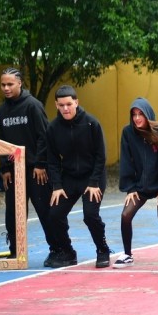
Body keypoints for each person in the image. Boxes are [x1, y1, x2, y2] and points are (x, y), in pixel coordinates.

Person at [0, 67, 58, 265]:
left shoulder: (33, 106)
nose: (6, 88)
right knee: (13, 214)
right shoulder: (0, 111)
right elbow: (1, 143)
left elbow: (44, 137)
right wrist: (4, 168)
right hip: (13, 172)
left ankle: (57, 249)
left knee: (45, 211)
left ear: (20, 83)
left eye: (10, 84)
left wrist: (40, 164)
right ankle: (15, 250)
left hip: (35, 170)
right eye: (3, 85)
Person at [46, 85, 111, 268]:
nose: (65, 108)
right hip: (69, 178)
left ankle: (102, 250)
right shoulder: (53, 128)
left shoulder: (91, 123)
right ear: (56, 105)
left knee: (90, 215)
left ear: (76, 102)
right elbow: (52, 160)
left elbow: (101, 156)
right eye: (61, 105)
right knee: (55, 214)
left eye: (69, 104)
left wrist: (94, 182)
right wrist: (57, 186)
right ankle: (68, 252)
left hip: (92, 178)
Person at [113, 98, 158, 268]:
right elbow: (126, 161)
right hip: (140, 186)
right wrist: (130, 188)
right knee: (126, 215)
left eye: (140, 114)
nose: (137, 118)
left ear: (147, 114)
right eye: (134, 114)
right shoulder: (128, 133)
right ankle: (127, 255)